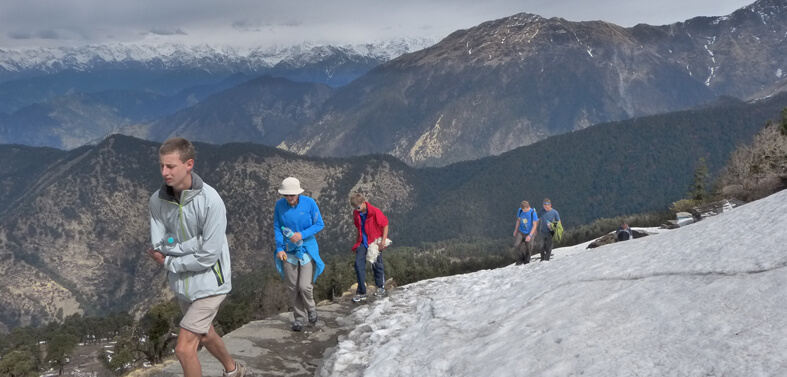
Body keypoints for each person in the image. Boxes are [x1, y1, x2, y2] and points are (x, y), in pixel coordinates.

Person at [146, 137, 245, 377]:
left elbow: (209, 255)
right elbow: (161, 242)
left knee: (183, 349)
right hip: (183, 285)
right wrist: (190, 243)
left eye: (171, 166)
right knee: (205, 333)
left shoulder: (211, 202)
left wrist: (170, 260)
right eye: (162, 166)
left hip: (212, 284)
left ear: (189, 164)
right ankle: (234, 370)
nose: (164, 172)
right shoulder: (157, 201)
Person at [273, 177, 325, 332]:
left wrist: (302, 234)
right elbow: (277, 226)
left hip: (307, 248)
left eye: (292, 195)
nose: (290, 198)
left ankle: (311, 309)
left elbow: (319, 224)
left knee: (304, 286)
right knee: (292, 286)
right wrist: (279, 247)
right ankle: (298, 318)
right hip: (288, 250)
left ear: (298, 193)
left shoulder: (309, 203)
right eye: (287, 195)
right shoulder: (279, 206)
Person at [350, 193, 390, 302]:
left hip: (374, 242)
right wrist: (356, 244)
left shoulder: (375, 212)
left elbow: (385, 224)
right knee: (358, 265)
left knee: (377, 265)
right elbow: (358, 229)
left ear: (363, 203)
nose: (357, 209)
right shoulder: (356, 214)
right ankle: (361, 292)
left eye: (358, 207)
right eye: (355, 208)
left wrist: (382, 241)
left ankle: (380, 287)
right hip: (362, 242)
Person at [513, 200, 538, 265]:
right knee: (516, 245)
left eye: (525, 210)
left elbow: (535, 225)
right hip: (521, 231)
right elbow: (518, 220)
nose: (523, 211)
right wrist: (516, 230)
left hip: (529, 232)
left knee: (528, 247)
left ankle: (527, 261)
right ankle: (519, 260)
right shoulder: (520, 210)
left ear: (528, 207)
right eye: (522, 210)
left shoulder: (533, 213)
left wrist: (530, 235)